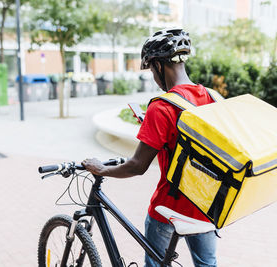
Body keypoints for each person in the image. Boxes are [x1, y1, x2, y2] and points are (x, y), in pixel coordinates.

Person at [82, 28, 218, 267]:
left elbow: (137, 166)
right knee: (207, 264)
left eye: (151, 70)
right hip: (207, 204)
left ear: (157, 65)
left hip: (170, 206)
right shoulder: (210, 96)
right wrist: (153, 125)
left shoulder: (162, 107)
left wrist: (101, 169)